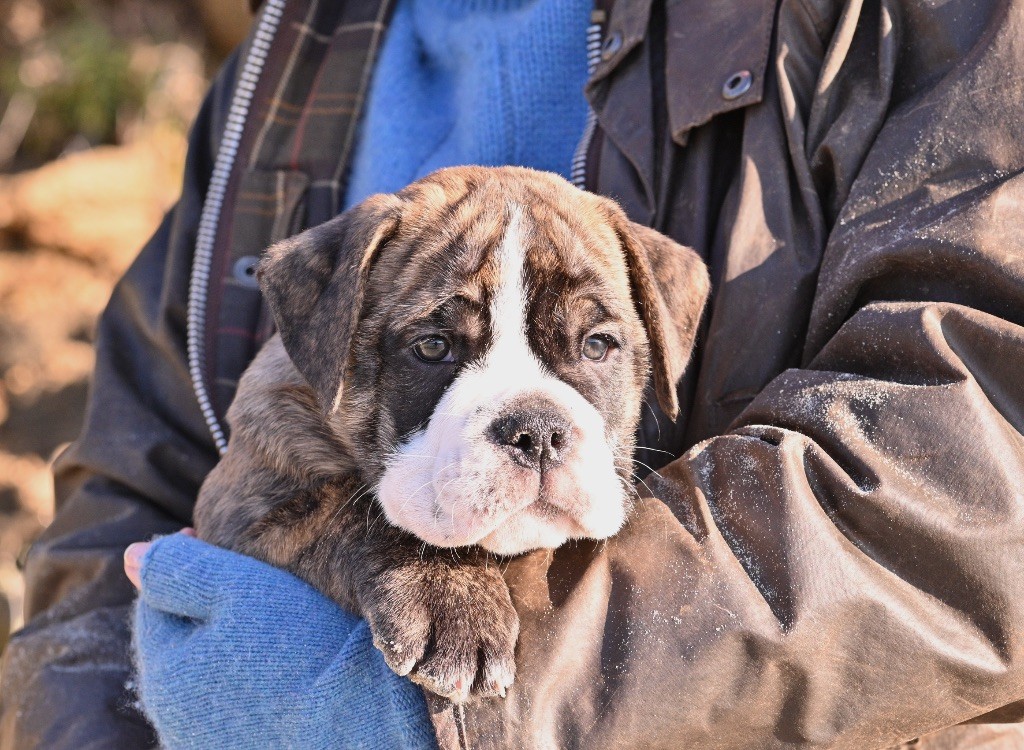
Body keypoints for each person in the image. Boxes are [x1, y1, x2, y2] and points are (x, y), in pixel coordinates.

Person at [3, 0, 1024, 746]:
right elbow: (125, 492)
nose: (531, 425)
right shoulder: (289, 53)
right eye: (436, 351)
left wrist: (445, 713)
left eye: (591, 347)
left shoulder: (900, 22)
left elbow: (973, 478)